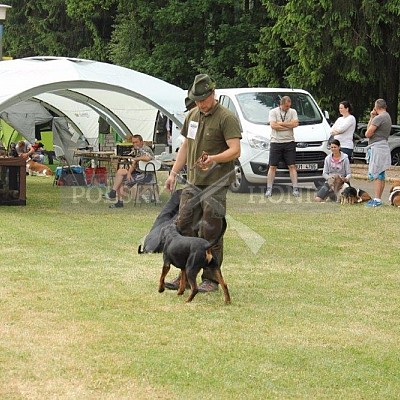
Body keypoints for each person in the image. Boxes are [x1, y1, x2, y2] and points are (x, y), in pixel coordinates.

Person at [164, 73, 241, 292]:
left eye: (203, 100)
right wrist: (173, 173)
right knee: (184, 225)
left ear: (212, 94)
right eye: (196, 100)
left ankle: (211, 279)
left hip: (216, 182)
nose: (200, 104)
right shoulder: (192, 116)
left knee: (211, 229)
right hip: (193, 181)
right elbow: (186, 147)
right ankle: (185, 276)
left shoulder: (226, 118)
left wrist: (214, 159)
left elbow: (235, 150)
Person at [103, 134, 154, 208]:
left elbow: (148, 158)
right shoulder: (138, 150)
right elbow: (134, 164)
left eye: (136, 142)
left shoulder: (145, 149)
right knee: (120, 172)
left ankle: (117, 200)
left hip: (146, 174)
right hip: (138, 172)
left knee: (120, 180)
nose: (135, 144)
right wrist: (129, 173)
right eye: (133, 143)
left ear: (142, 141)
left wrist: (136, 159)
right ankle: (113, 192)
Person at [265, 96, 300, 197]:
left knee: (292, 165)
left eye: (289, 106)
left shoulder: (292, 111)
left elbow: (295, 124)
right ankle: (269, 188)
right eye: (286, 106)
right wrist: (288, 125)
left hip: (289, 141)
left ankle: (295, 188)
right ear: (281, 104)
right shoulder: (273, 112)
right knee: (272, 166)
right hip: (276, 142)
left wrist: (281, 124)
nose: (288, 108)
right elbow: (273, 126)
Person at [364, 98, 392, 207]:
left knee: (376, 173)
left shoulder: (379, 118)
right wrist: (372, 117)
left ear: (376, 107)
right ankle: (378, 198)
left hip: (377, 147)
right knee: (381, 173)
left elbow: (368, 133)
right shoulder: (387, 116)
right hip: (383, 145)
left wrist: (372, 118)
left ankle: (377, 199)